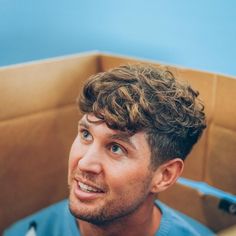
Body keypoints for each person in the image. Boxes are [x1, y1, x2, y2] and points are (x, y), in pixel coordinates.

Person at [4, 64, 215, 236]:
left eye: (116, 148)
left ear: (164, 175)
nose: (84, 163)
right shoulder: (27, 232)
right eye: (86, 135)